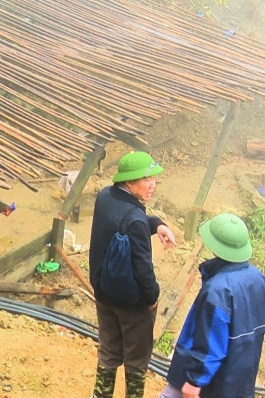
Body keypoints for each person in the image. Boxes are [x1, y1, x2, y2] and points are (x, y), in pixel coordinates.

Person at [88, 151, 177, 398]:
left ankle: (101, 394)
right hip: (132, 305)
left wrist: (156, 223)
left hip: (104, 293)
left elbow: (125, 221)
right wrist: (152, 298)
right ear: (129, 182)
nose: (152, 185)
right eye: (146, 179)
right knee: (136, 361)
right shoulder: (136, 220)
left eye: (154, 179)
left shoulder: (105, 196)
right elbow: (143, 270)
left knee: (108, 351)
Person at [160, 213, 265, 398]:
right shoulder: (259, 279)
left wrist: (195, 380)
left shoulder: (217, 290)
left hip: (211, 381)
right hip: (241, 378)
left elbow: (211, 341)